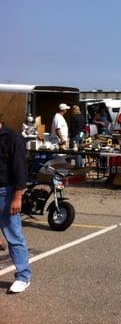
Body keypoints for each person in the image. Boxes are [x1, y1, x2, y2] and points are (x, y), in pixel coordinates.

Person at [0, 121, 32, 293]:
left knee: (14, 236)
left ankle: (23, 276)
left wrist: (17, 197)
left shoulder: (13, 138)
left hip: (6, 193)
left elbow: (20, 168)